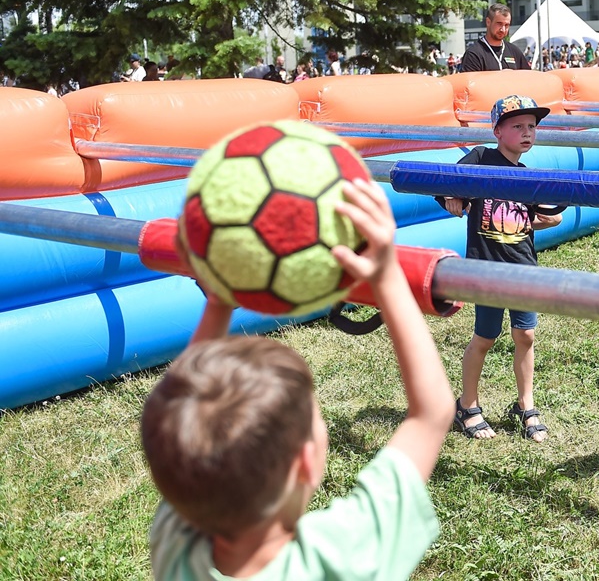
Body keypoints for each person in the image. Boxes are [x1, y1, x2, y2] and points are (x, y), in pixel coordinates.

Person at [141, 177, 454, 580]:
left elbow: (431, 413)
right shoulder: (340, 555)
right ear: (306, 462)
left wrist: (220, 297)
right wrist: (389, 276)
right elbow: (432, 414)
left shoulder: (178, 549)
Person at [438, 95, 562, 443]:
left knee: (526, 335)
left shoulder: (528, 177)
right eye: (518, 126)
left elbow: (549, 215)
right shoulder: (481, 158)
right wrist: (452, 197)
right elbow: (446, 180)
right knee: (485, 337)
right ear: (497, 131)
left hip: (523, 266)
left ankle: (526, 405)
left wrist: (542, 219)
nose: (527, 133)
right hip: (487, 268)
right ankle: (468, 405)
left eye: (532, 127)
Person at [460, 4, 530, 73]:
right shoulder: (474, 54)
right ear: (488, 22)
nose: (503, 29)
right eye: (499, 24)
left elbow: (528, 78)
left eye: (506, 25)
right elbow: (469, 82)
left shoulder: (514, 51)